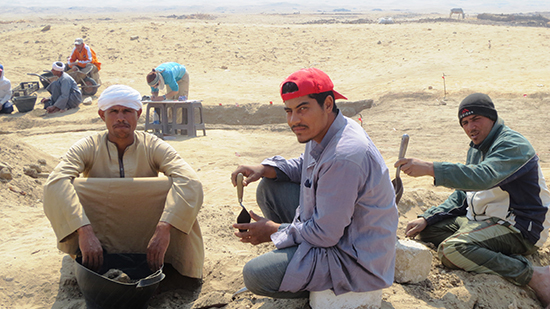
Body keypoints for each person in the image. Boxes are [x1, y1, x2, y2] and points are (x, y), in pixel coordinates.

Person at [231, 68, 399, 298]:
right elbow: (306, 166)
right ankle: (298, 260)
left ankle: (306, 282)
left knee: (254, 275)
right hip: (336, 234)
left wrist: (273, 231)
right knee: (270, 188)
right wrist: (264, 169)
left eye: (302, 109)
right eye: (289, 111)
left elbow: (326, 235)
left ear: (328, 104)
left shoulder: (344, 155)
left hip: (353, 259)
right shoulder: (326, 129)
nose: (293, 120)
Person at [394, 93, 550, 306]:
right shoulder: (477, 148)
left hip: (518, 227)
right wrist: (428, 218)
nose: (470, 127)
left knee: (451, 249)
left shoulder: (512, 144)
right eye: (465, 123)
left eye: (476, 119)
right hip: (484, 219)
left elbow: (483, 177)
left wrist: (431, 168)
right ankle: (478, 245)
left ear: (492, 118)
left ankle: (534, 275)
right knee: (429, 231)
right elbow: (464, 193)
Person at [43, 85, 204, 284]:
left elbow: (190, 180)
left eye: (127, 111)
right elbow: (55, 182)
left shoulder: (152, 145)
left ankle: (175, 265)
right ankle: (88, 255)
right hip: (98, 233)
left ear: (138, 114)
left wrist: (164, 227)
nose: (121, 117)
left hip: (147, 232)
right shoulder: (88, 146)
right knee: (71, 187)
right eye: (114, 111)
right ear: (102, 115)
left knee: (175, 187)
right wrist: (83, 230)